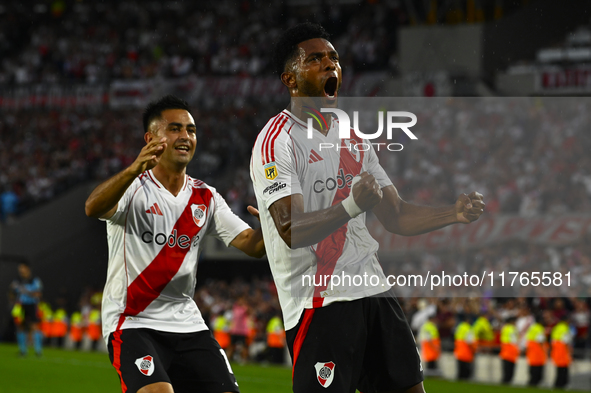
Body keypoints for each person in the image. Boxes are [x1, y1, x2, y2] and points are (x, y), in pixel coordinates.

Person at [250, 22, 485, 393]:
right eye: (315, 59)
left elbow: (396, 215)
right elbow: (291, 230)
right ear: (290, 79)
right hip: (320, 300)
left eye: (334, 58)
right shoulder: (277, 141)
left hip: (374, 290)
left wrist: (450, 214)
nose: (330, 65)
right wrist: (350, 205)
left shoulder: (350, 132)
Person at [85, 95, 265, 393]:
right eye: (175, 129)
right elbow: (92, 208)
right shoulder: (132, 188)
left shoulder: (205, 197)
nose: (185, 136)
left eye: (191, 130)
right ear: (151, 138)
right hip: (132, 321)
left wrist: (270, 225)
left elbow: (252, 245)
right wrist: (133, 169)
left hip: (186, 322)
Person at [9, 262, 44, 357]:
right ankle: (23, 350)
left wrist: (25, 291)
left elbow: (38, 294)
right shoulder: (17, 280)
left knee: (34, 326)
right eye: (20, 268)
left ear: (27, 269)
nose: (21, 270)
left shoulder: (34, 280)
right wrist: (12, 299)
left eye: (22, 268)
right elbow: (12, 291)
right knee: (20, 327)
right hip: (21, 305)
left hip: (32, 304)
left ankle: (38, 350)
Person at [525, 313, 547, 386]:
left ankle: (531, 382)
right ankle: (534, 382)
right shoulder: (540, 328)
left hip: (531, 350)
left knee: (532, 368)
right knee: (538, 369)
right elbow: (541, 340)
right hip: (538, 351)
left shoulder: (532, 327)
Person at [551, 314, 572, 389]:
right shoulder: (565, 328)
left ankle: (557, 384)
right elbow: (566, 341)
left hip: (556, 350)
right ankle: (562, 384)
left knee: (559, 369)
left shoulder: (556, 327)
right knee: (564, 369)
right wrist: (569, 351)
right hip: (563, 350)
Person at [454, 315, 475, 380]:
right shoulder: (468, 329)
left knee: (460, 372)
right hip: (466, 353)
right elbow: (470, 342)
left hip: (459, 352)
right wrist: (474, 349)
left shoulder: (459, 327)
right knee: (466, 374)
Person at [499, 316, 519, 384]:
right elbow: (514, 341)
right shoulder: (512, 329)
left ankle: (504, 382)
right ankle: (506, 382)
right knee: (510, 371)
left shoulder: (504, 328)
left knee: (506, 370)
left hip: (505, 351)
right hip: (511, 351)